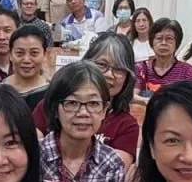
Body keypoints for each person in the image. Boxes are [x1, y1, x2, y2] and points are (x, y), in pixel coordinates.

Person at [39, 63, 126, 182]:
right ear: (55, 109)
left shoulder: (112, 163)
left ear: (104, 111)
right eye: (72, 103)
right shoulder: (34, 156)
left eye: (93, 103)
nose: (83, 113)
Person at [35, 33, 140, 170]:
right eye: (102, 65)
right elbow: (29, 151)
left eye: (119, 69)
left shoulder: (127, 126)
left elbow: (113, 171)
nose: (109, 75)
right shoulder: (54, 104)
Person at [134, 17, 192, 95]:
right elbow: (132, 97)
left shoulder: (187, 71)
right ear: (151, 42)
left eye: (169, 39)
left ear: (177, 43)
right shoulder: (140, 68)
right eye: (159, 38)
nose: (164, 43)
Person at [4, 24, 51, 111]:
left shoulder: (52, 95)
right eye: (20, 53)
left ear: (45, 54)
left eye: (34, 53)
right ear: (10, 54)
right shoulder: (0, 91)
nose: (26, 60)